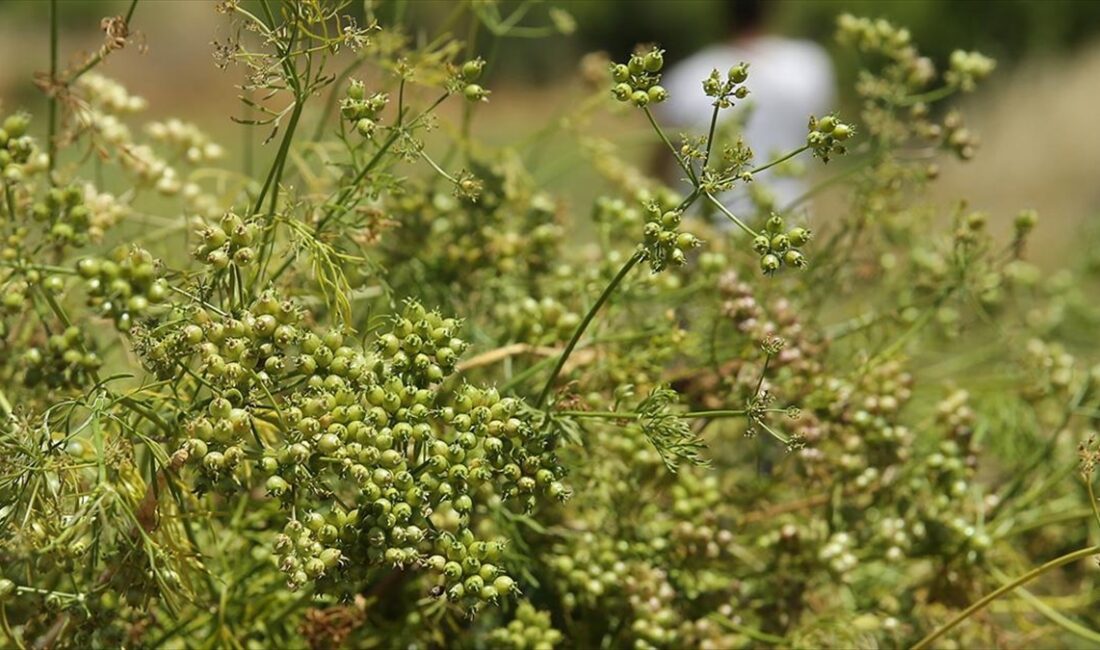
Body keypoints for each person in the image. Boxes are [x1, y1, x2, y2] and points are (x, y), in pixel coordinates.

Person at [657, 0, 836, 218]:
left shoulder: (687, 77)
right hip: (786, 230)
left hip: (701, 233)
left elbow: (659, 170)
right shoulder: (809, 66)